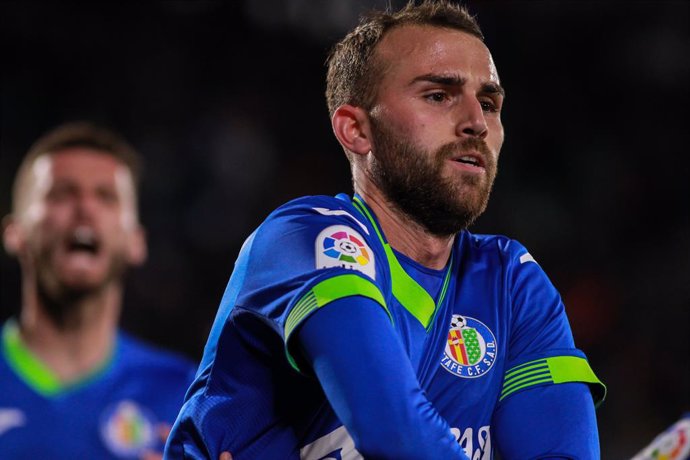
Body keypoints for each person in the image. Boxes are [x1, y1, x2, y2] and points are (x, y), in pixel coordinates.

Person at [165, 1, 606, 459]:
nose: (477, 122)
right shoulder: (307, 237)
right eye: (439, 95)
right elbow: (396, 434)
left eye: (490, 103)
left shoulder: (511, 281)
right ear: (356, 130)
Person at [0, 122, 196, 459]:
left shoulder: (185, 395)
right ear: (15, 233)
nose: (85, 208)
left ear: (136, 241)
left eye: (106, 196)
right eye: (62, 193)